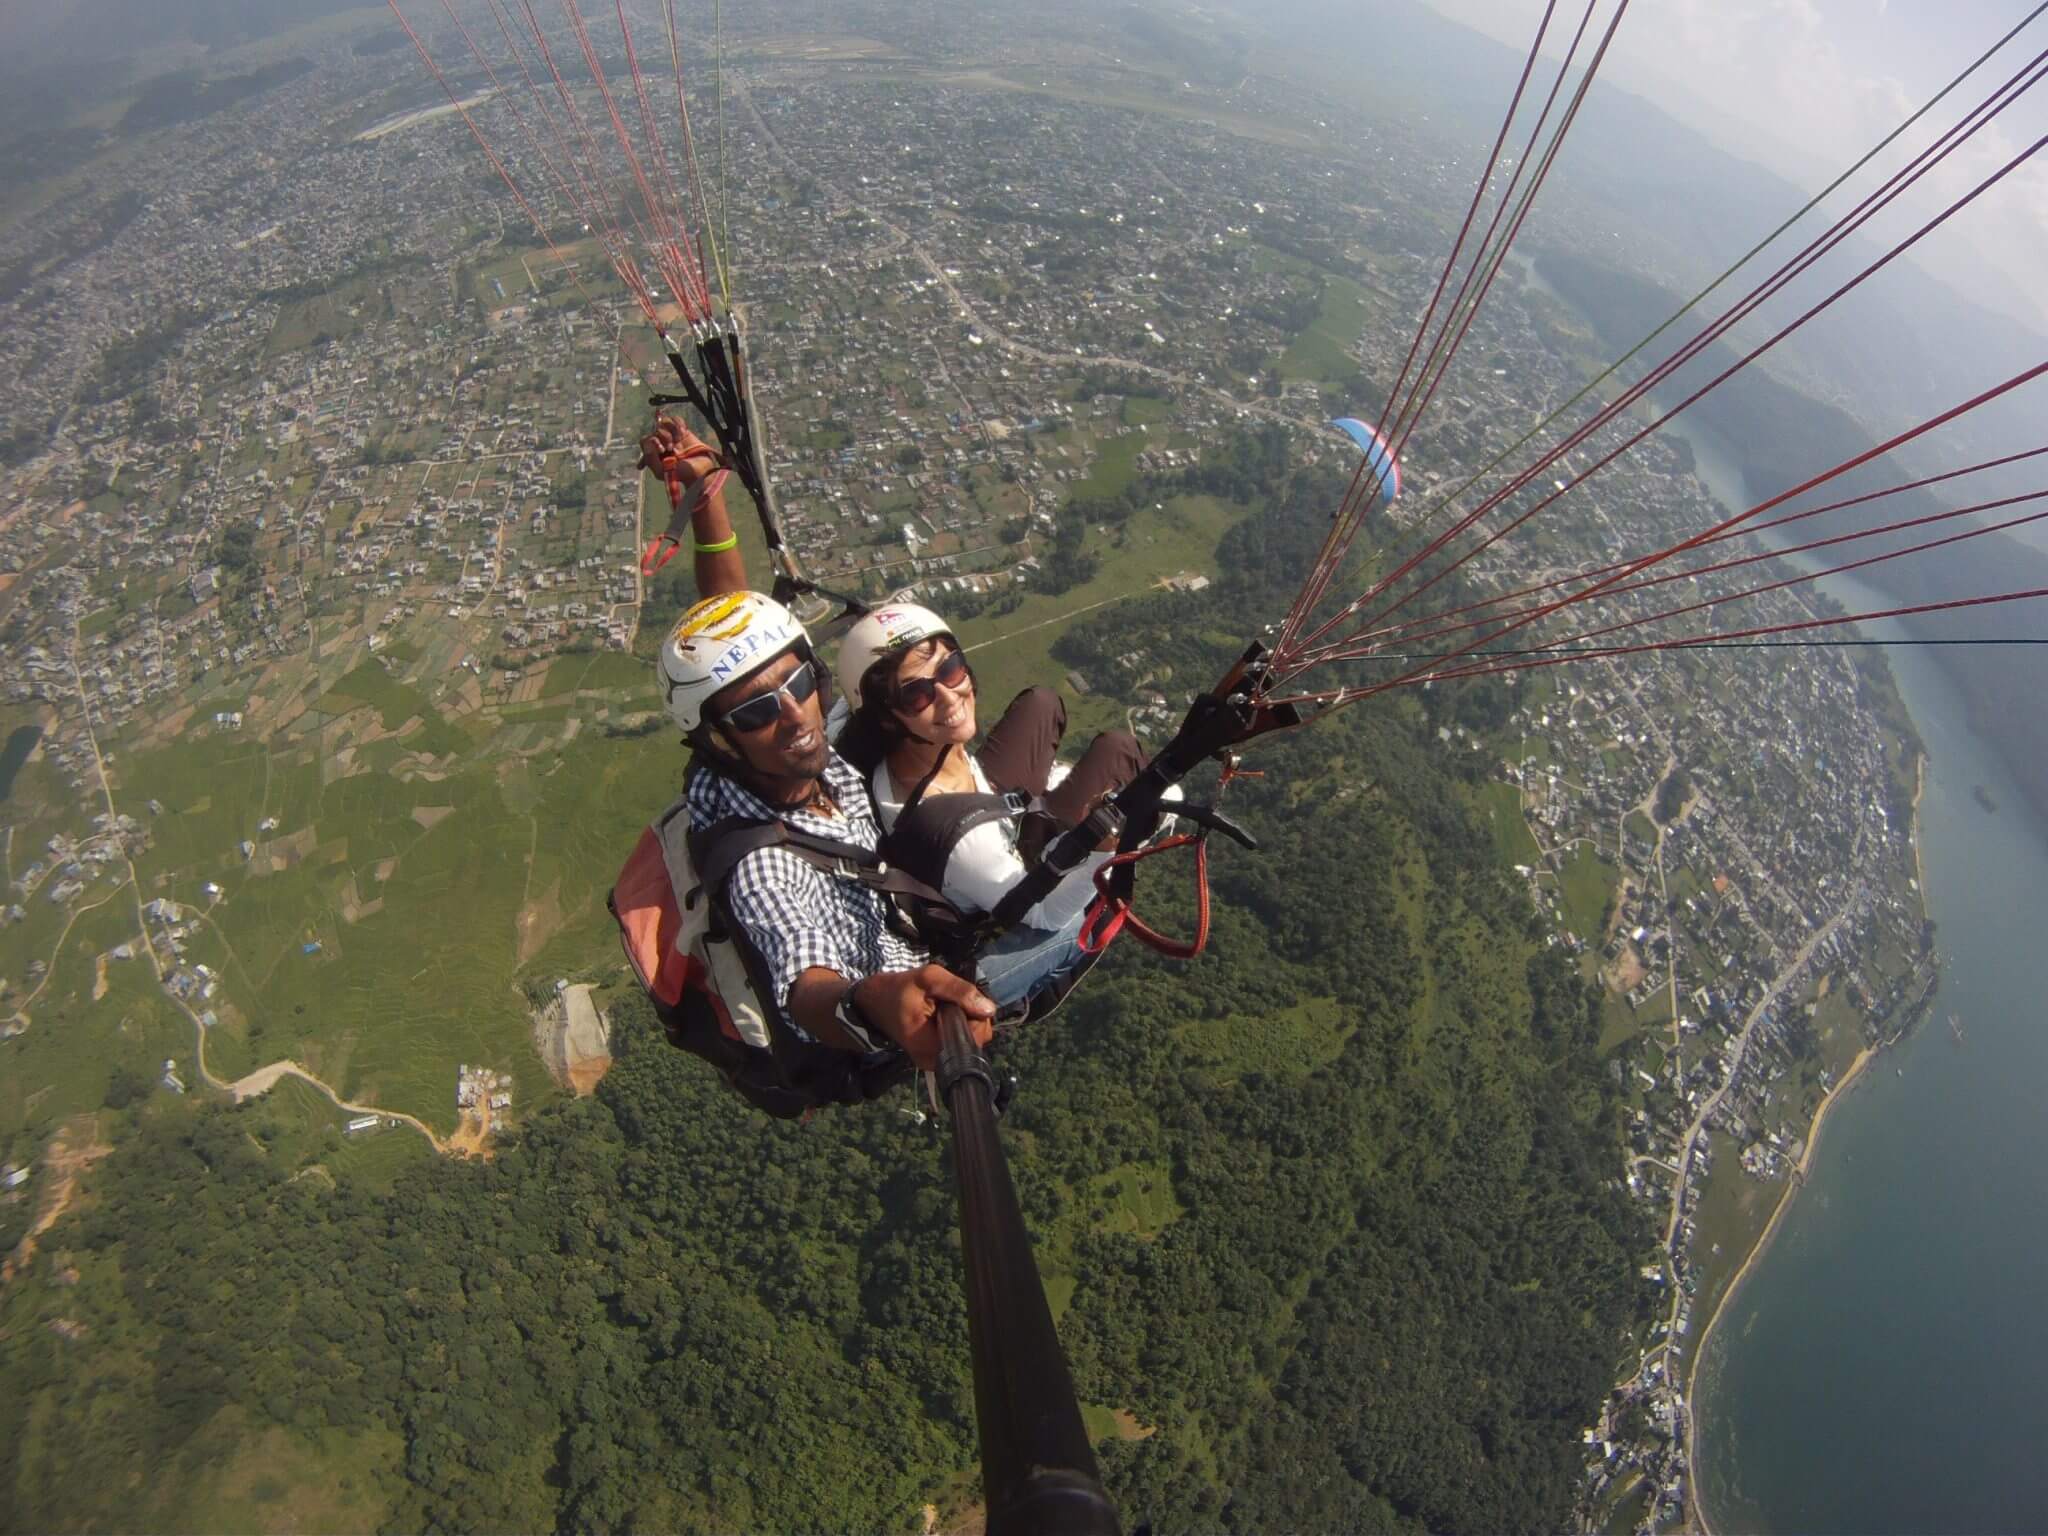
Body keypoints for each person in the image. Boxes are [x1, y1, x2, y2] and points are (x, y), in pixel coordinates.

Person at [647, 423, 996, 1075]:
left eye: (802, 681)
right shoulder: (760, 865)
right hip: (897, 1010)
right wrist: (871, 1001)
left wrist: (706, 496)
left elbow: (730, 627)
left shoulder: (781, 754)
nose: (794, 716)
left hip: (885, 890)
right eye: (756, 710)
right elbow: (803, 979)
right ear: (717, 738)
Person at [833, 604, 1145, 1010]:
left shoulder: (906, 748)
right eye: (917, 695)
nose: (949, 697)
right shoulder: (967, 844)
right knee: (1120, 752)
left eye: (950, 669)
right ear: (886, 717)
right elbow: (1046, 915)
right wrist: (1104, 847)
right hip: (1005, 871)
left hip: (984, 801)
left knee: (1042, 702)